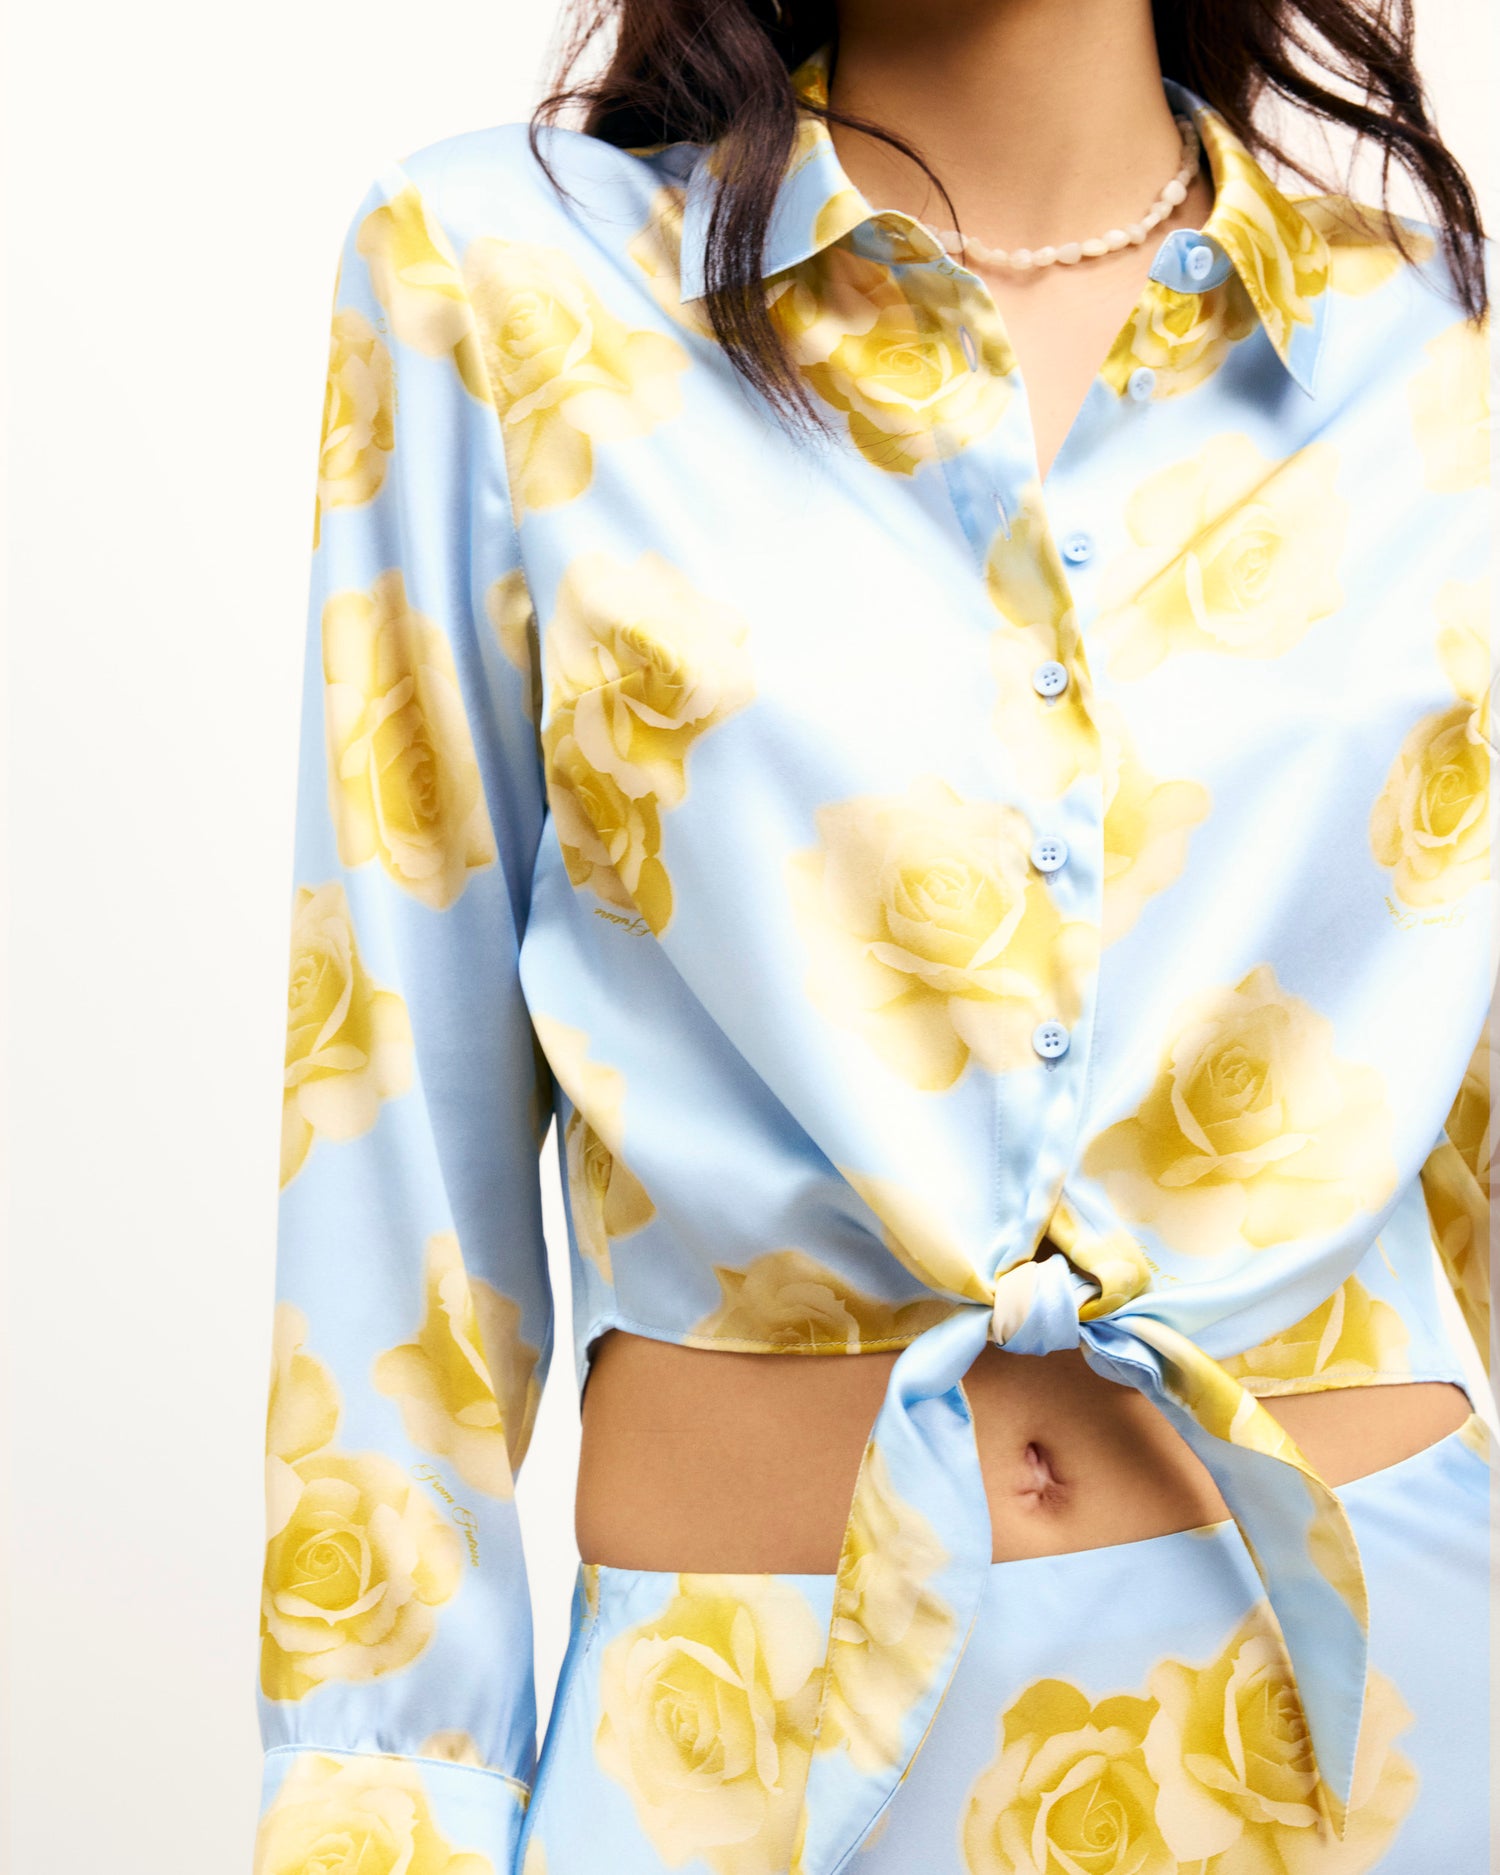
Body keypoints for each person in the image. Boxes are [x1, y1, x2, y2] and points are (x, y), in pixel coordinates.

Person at [255, 1, 1495, 1870]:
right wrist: (381, 1803)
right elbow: (388, 1136)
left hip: (1387, 1742)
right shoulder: (500, 282)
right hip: (745, 1752)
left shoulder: (1436, 352)